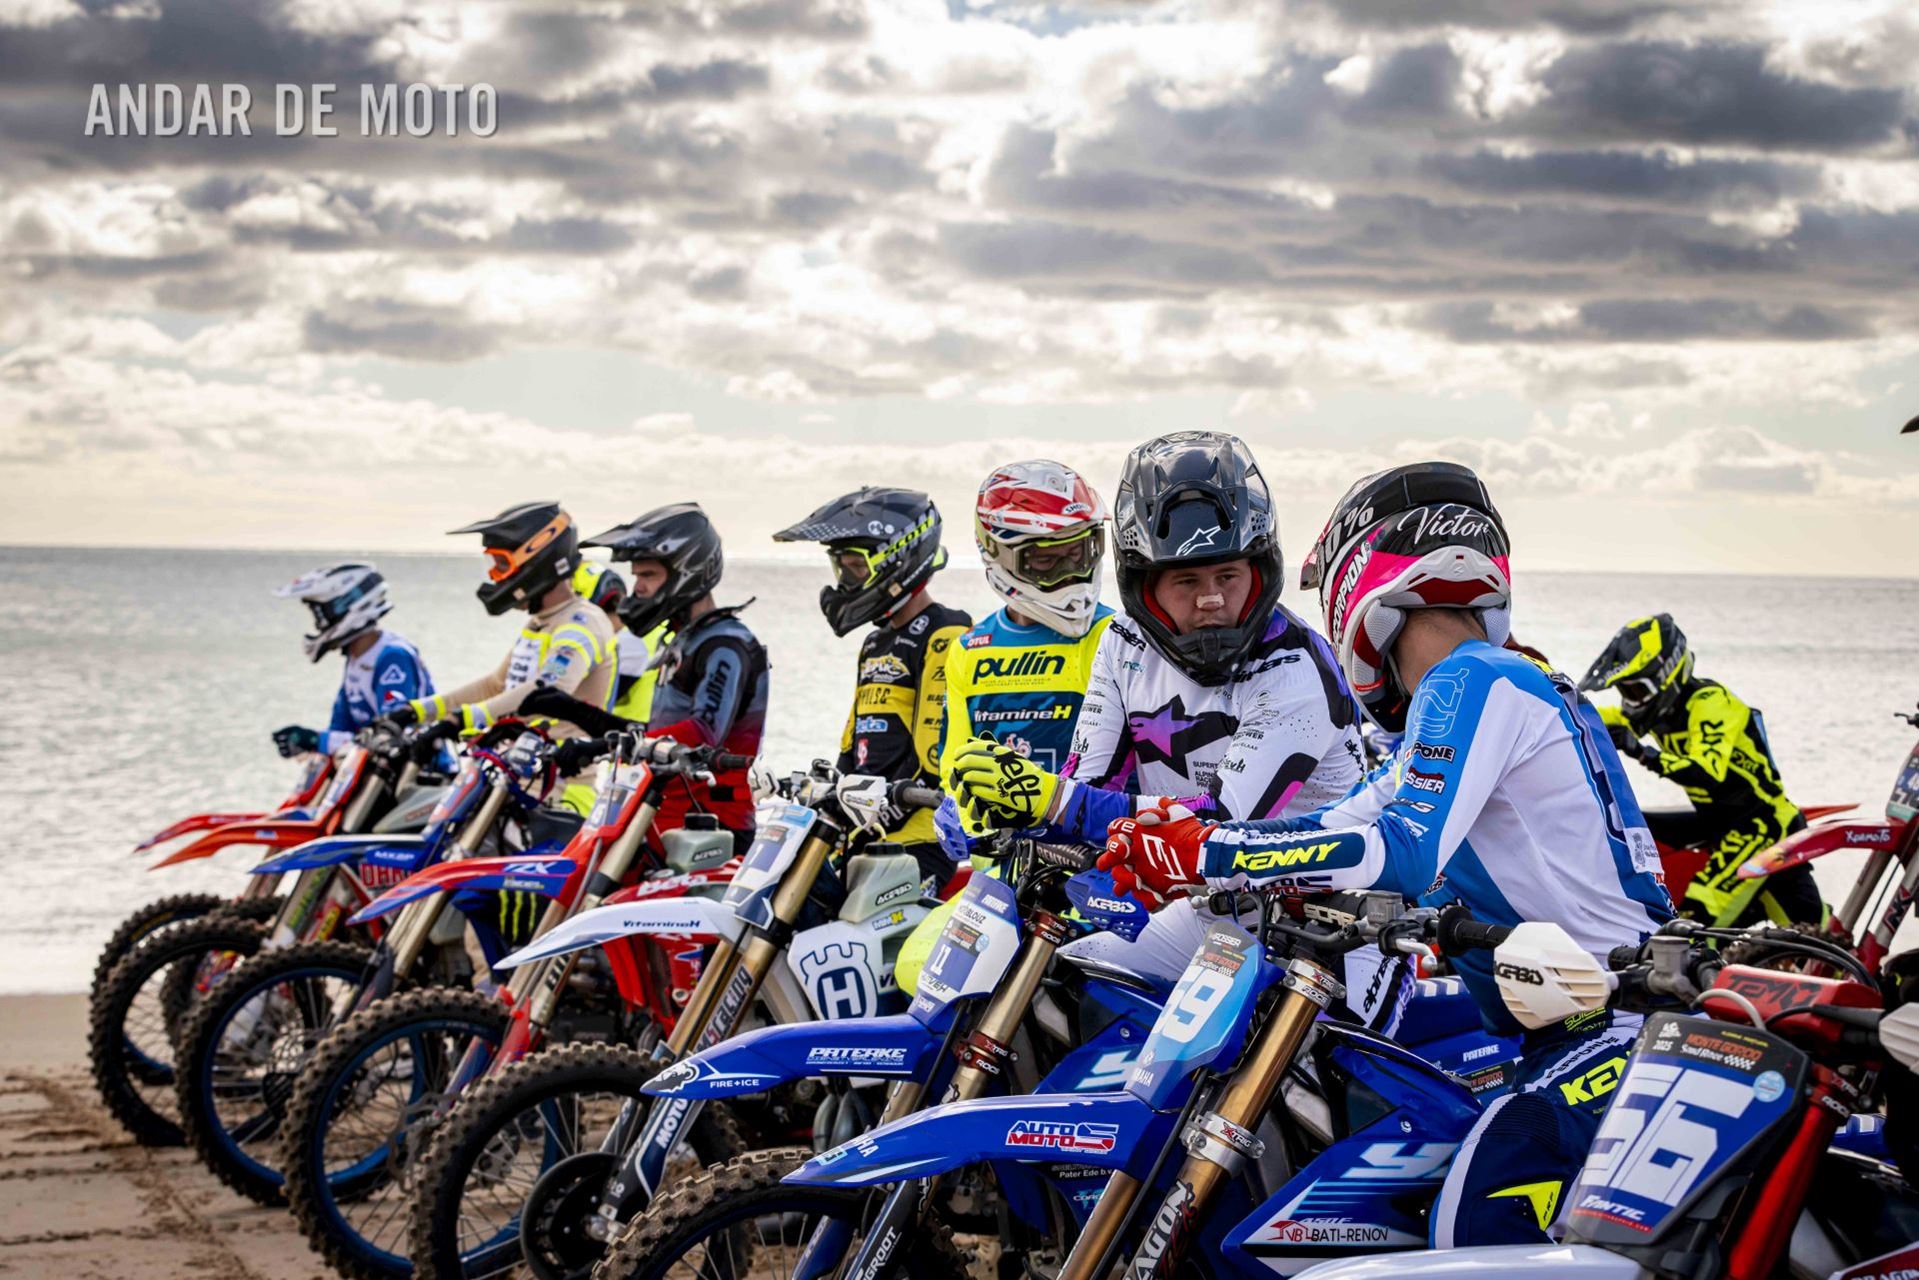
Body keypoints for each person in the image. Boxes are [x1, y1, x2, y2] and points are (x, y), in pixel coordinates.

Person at [1095, 460, 1673, 1248]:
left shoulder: (1470, 678)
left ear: (1357, 582)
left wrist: (1206, 852)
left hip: (1609, 1024)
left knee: (1471, 1222)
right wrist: (1183, 841)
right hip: (1575, 1022)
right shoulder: (1485, 686)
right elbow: (1342, 823)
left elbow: (1399, 850)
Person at [948, 431, 1367, 987]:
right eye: (1186, 580)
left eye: (1228, 575)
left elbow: (1219, 823)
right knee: (1070, 988)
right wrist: (1001, 808)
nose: (1211, 598)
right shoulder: (1121, 641)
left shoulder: (1294, 666)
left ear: (1261, 569)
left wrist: (1050, 800)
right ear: (1144, 584)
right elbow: (1087, 785)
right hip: (1212, 910)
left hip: (1336, 924)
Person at [894, 460, 1114, 992]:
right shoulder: (970, 650)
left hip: (1099, 871)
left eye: (1078, 553)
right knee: (914, 969)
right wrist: (957, 809)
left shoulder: (1113, 635)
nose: (1068, 573)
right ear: (998, 555)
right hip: (1006, 875)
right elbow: (956, 761)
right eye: (1047, 560)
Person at [774, 486, 970, 886]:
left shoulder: (946, 631)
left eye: (856, 567)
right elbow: (852, 742)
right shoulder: (875, 642)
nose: (846, 580)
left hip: (918, 839)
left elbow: (933, 757)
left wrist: (874, 814)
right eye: (841, 568)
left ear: (898, 559)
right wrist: (830, 798)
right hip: (867, 832)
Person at [548, 502, 769, 847]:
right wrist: (573, 712)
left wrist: (604, 745)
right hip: (659, 814)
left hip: (710, 828)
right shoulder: (684, 640)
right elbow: (657, 737)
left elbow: (701, 734)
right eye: (636, 576)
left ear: (687, 572)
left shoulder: (725, 644)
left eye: (648, 575)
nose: (637, 588)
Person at [1581, 614, 1822, 927]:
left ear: (1667, 676)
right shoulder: (1663, 713)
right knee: (1634, 827)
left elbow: (1706, 771)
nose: (1631, 703)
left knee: (1696, 922)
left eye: (1637, 692)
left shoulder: (1710, 702)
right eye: (1625, 693)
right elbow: (1593, 716)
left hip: (1761, 826)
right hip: (1720, 824)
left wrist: (1642, 752)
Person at [384, 501, 617, 815]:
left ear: (539, 560)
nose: (495, 577)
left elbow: (549, 687)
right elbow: (495, 685)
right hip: (515, 780)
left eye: (502, 565)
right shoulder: (541, 623)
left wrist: (463, 719)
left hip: (561, 792)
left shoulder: (581, 623)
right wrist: (418, 711)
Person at [270, 562, 435, 758]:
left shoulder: (393, 657)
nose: (318, 625)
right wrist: (312, 745)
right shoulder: (357, 657)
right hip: (378, 769)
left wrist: (317, 740)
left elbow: (393, 736)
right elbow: (341, 729)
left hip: (422, 770)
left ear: (343, 607)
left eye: (320, 616)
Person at [574, 561, 669, 723]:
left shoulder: (630, 641)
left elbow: (590, 695)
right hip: (635, 728)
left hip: (628, 731)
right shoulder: (645, 630)